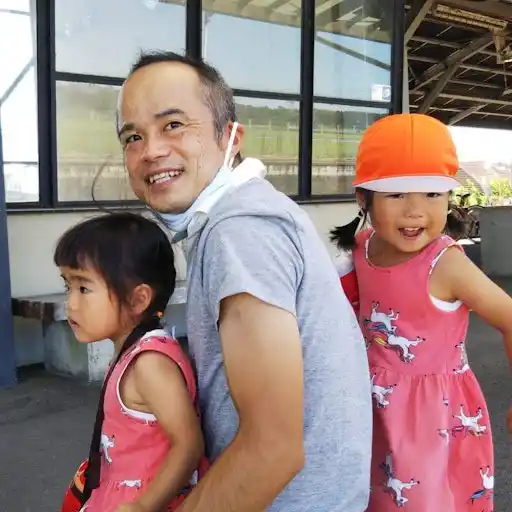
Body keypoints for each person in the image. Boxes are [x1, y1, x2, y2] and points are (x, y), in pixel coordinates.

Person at [116, 50, 372, 511]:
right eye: (133, 136)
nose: (150, 150)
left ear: (231, 137)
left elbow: (270, 450)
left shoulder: (239, 230)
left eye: (173, 124)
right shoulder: (236, 217)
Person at [330, 112, 512, 511]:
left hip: (432, 418)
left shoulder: (446, 264)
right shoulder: (361, 248)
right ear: (363, 198)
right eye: (396, 194)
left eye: (432, 193)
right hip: (367, 406)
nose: (415, 210)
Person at [55, 212, 207, 512]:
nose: (70, 303)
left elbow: (189, 445)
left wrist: (143, 506)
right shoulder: (131, 352)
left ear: (138, 300)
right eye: (67, 287)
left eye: (84, 288)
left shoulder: (150, 364)